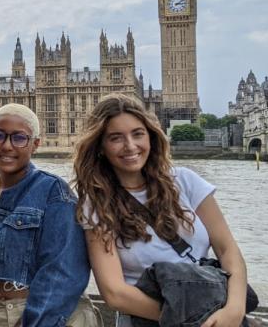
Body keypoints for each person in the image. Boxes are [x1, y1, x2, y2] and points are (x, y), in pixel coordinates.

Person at [73, 93, 248, 327]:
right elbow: (114, 293)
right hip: (150, 320)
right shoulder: (95, 204)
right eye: (116, 138)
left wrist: (234, 309)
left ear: (151, 136)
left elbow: (228, 250)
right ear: (100, 146)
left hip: (214, 315)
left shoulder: (186, 181)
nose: (130, 146)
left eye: (138, 134)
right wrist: (190, 318)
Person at [0, 104, 90, 327]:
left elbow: (63, 274)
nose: (7, 145)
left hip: (43, 316)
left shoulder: (54, 193)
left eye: (19, 138)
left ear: (35, 144)